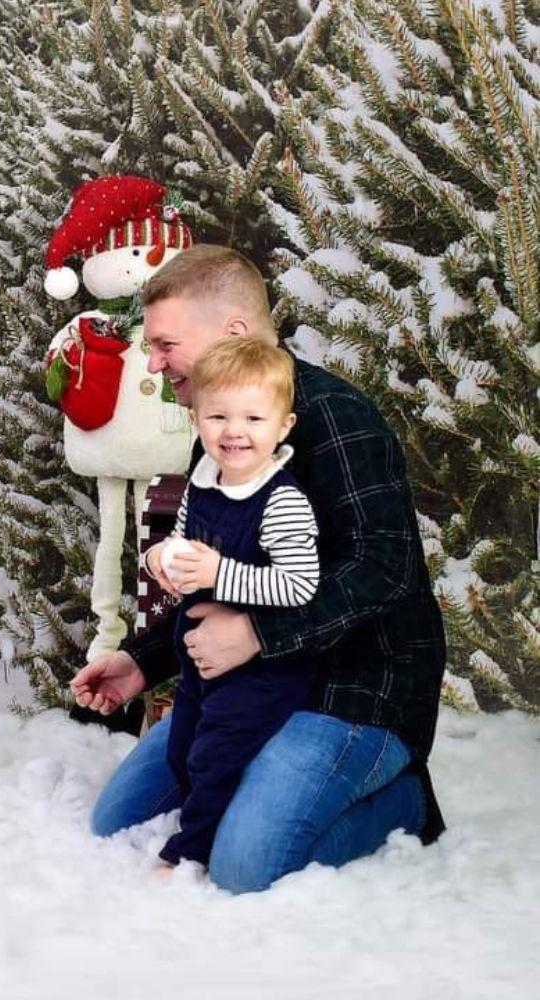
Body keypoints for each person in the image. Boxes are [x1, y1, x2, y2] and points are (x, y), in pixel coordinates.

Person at [70, 245, 446, 893]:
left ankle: (405, 801)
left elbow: (382, 570)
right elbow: (217, 576)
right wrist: (143, 661)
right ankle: (257, 768)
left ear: (233, 333)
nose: (154, 364)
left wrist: (258, 637)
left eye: (164, 344)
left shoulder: (339, 421)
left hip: (353, 690)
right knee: (116, 819)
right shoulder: (218, 431)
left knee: (245, 867)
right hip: (246, 686)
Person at [143, 337, 320, 871]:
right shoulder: (202, 481)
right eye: (217, 416)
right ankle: (205, 812)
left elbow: (299, 585)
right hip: (202, 660)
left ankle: (189, 853)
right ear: (196, 418)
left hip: (261, 670)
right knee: (181, 749)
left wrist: (222, 573)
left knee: (214, 755)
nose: (234, 431)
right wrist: (163, 559)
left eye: (253, 418)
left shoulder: (282, 500)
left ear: (282, 427)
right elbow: (180, 536)